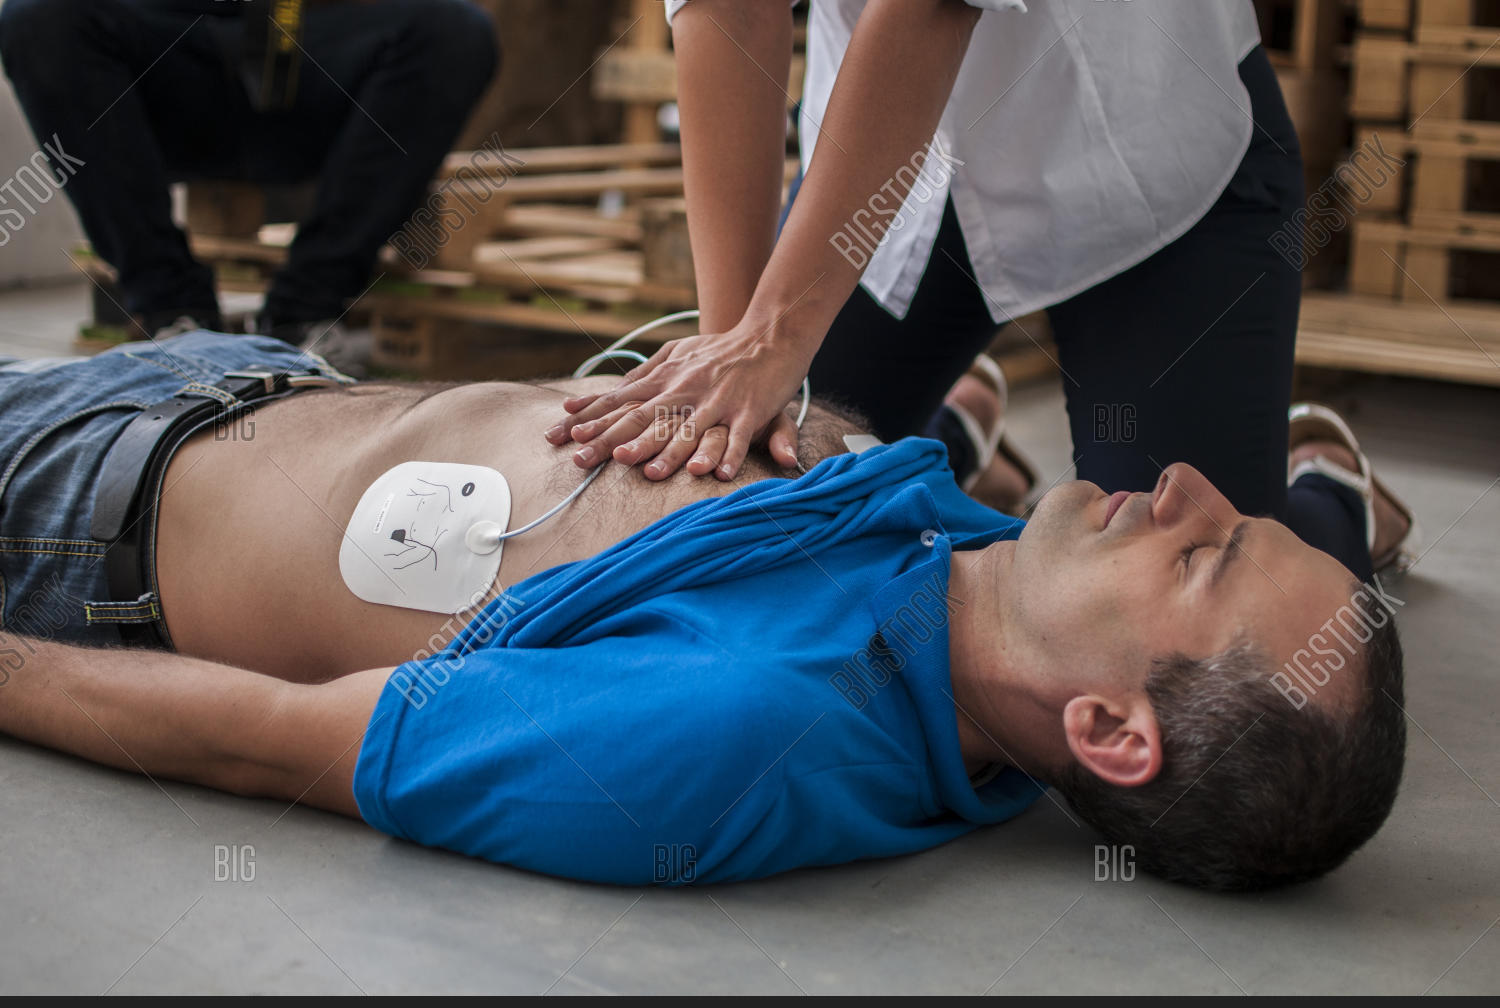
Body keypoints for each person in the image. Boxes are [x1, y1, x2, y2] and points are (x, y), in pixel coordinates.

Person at [0, 331, 1406, 890]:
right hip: (247, 376)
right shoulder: (988, 571)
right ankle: (1339, 494)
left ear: (1108, 732)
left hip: (79, 504)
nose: (1184, 487)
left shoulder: (731, 724)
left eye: (1205, 557)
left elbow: (272, 740)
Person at [544, 0, 1419, 586]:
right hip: (894, 183)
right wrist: (728, 376)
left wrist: (775, 337)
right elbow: (730, 10)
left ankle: (1332, 495)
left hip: (1145, 163)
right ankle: (957, 440)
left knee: (1172, 608)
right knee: (771, 527)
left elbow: (930, 4)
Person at [0, 0, 496, 362]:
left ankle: (304, 313)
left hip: (306, 50)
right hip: (167, 60)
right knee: (37, 17)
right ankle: (171, 311)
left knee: (456, 31)